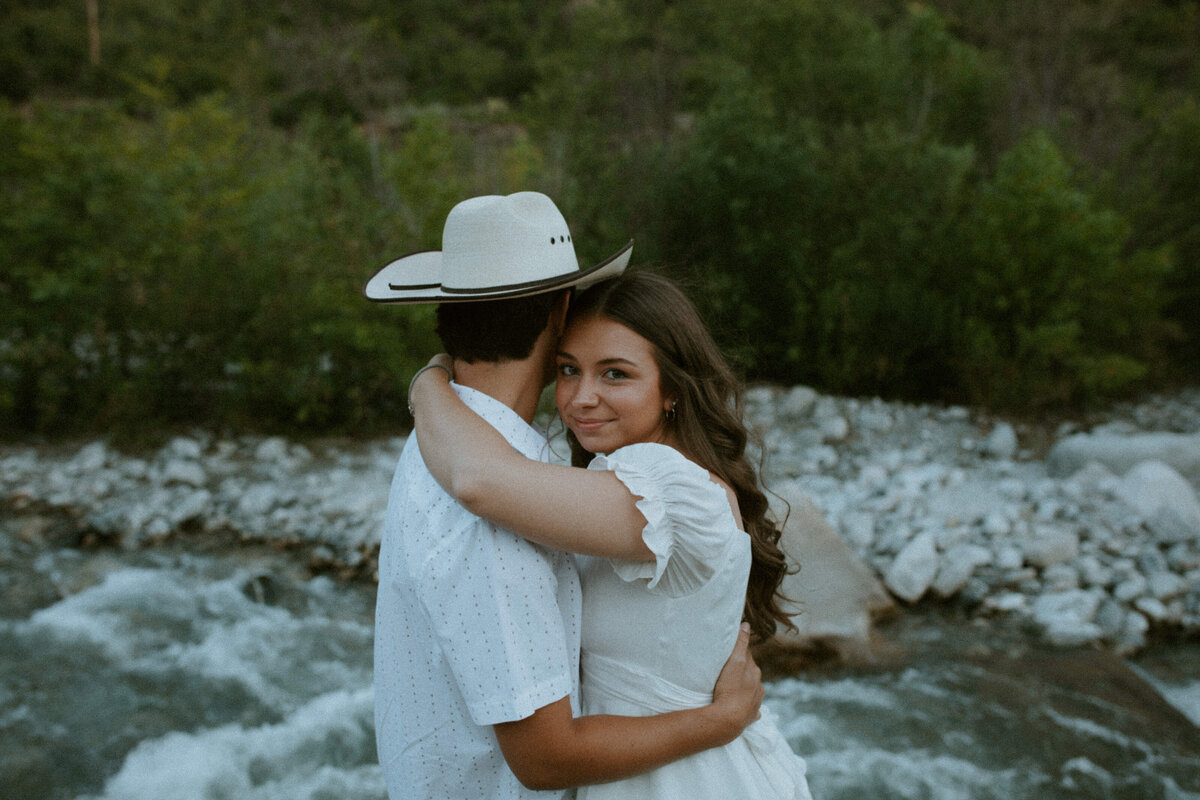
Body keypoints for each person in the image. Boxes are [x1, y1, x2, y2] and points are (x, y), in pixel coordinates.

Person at [365, 192, 766, 800]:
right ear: (560, 312)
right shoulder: (482, 473)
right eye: (574, 368)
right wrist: (719, 720)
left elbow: (482, 481)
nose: (580, 397)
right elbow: (546, 756)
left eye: (616, 373)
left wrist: (428, 381)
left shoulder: (446, 451)